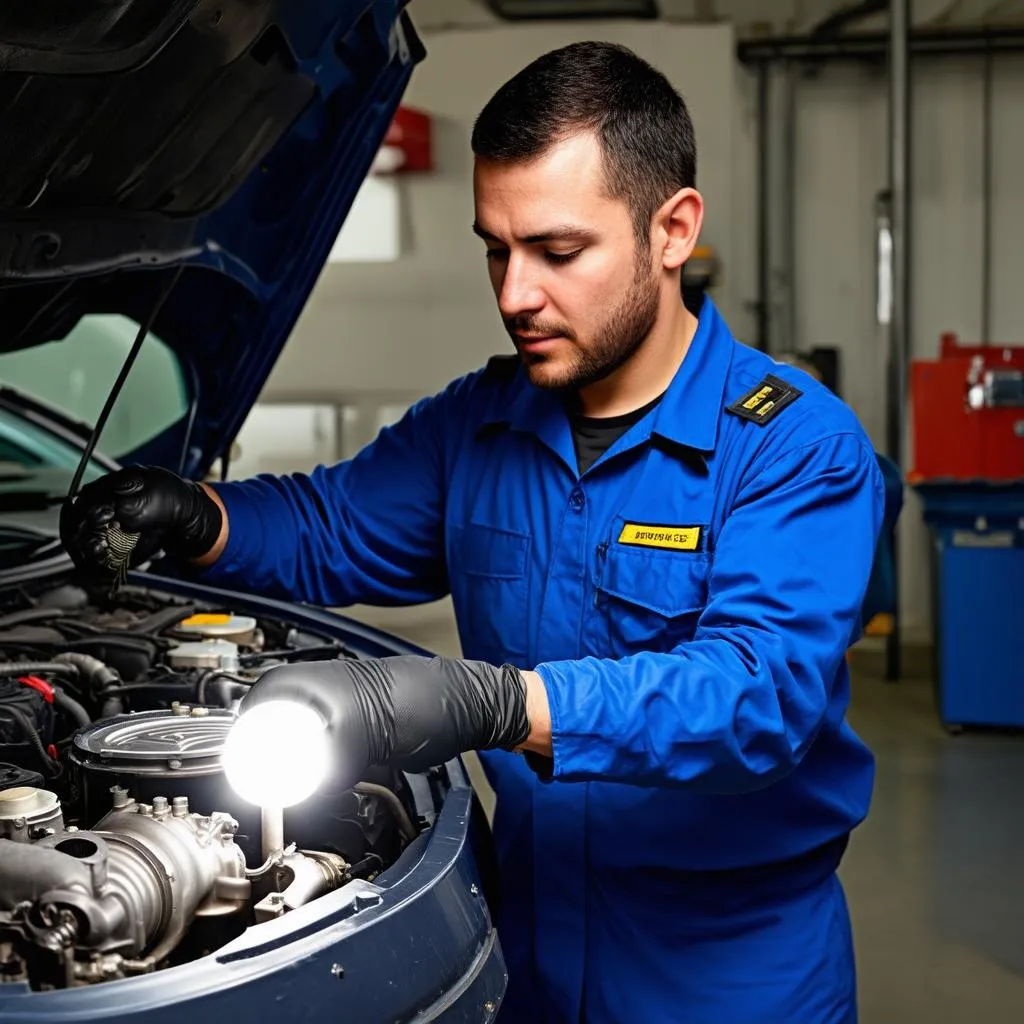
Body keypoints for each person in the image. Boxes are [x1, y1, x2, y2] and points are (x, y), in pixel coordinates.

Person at [61, 42, 885, 1024]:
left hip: (725, 977)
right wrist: (197, 516)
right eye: (496, 247)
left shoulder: (793, 445)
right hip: (527, 951)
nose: (513, 294)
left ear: (673, 230)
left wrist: (491, 700)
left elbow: (758, 692)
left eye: (557, 251)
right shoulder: (479, 425)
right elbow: (330, 526)